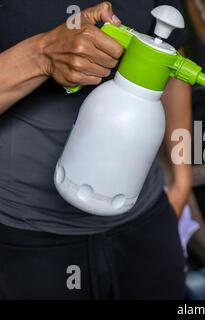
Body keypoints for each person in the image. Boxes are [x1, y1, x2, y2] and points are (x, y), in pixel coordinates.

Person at [0, 1, 192, 299]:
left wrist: (182, 181)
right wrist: (41, 54)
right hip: (28, 236)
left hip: (145, 221)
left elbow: (172, 67)